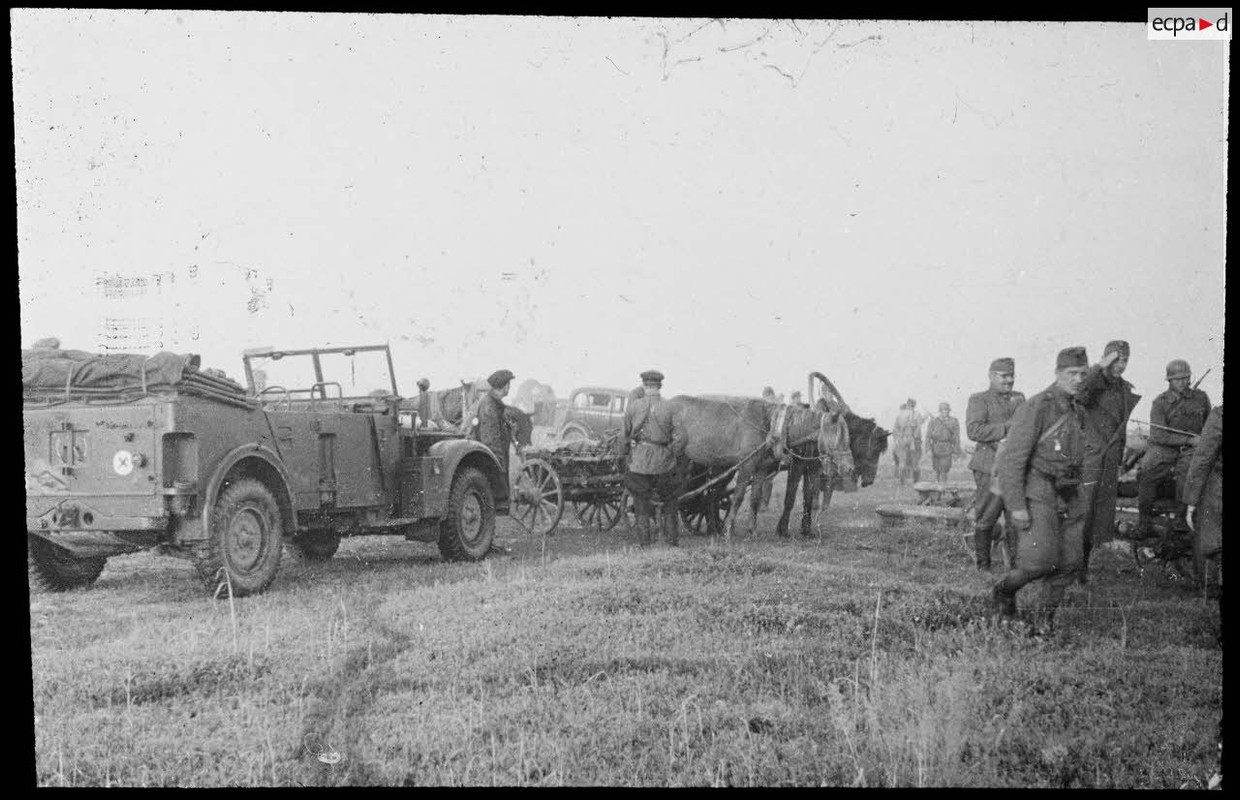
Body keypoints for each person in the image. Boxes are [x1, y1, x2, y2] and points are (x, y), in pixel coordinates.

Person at [991, 347, 1090, 633]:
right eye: (1072, 373)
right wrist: (1017, 506)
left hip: (1069, 494)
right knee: (1040, 562)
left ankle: (1043, 621)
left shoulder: (1078, 409)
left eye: (1083, 374)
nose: (1078, 379)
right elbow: (1013, 460)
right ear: (1058, 373)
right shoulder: (1038, 406)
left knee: (1071, 562)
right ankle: (1003, 592)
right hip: (1039, 490)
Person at [1076, 341, 1140, 583]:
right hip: (1090, 458)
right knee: (1083, 512)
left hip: (1110, 461)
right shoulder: (1093, 384)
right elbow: (1080, 394)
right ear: (1105, 359)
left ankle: (1083, 567)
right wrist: (1099, 367)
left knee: (1100, 518)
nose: (1121, 366)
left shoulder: (1124, 389)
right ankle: (1072, 567)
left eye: (1125, 360)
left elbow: (1121, 429)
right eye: (1116, 360)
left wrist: (1122, 459)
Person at [1136, 359, 1212, 539]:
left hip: (1191, 450)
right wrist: (1188, 439)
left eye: (1185, 378)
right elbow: (1159, 436)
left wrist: (1201, 440)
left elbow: (1209, 424)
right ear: (1169, 381)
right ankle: (1144, 523)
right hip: (1164, 449)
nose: (1182, 382)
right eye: (1177, 379)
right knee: (1146, 472)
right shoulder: (1160, 403)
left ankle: (1181, 522)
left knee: (1188, 475)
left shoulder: (1201, 398)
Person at [966, 358, 1026, 570]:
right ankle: (983, 565)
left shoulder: (1019, 399)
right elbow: (974, 430)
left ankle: (1016, 566)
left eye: (1011, 376)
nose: (1009, 380)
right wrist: (1007, 428)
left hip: (1014, 467)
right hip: (988, 466)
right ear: (991, 376)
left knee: (1013, 517)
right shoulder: (979, 400)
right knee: (986, 516)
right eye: (1004, 376)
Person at [620, 370, 686, 547]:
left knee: (641, 503)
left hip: (639, 464)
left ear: (644, 385)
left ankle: (645, 544)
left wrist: (628, 453)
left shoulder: (634, 406)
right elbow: (682, 437)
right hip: (664, 464)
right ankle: (672, 544)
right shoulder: (670, 407)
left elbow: (624, 436)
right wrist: (670, 451)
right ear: (660, 386)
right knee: (671, 503)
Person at [1183, 405, 1222, 587]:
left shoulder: (1220, 413)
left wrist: (1192, 501)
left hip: (1219, 483)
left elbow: (1203, 458)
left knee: (1208, 531)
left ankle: (1208, 583)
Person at [468, 369, 516, 480]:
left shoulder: (496, 404)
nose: (509, 387)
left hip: (495, 461)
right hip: (491, 465)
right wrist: (499, 467)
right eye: (509, 384)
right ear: (505, 386)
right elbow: (490, 440)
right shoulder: (489, 405)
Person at [891, 398, 927, 485]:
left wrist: (897, 439)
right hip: (913, 442)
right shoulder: (917, 414)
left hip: (903, 441)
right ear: (914, 406)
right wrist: (926, 416)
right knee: (914, 462)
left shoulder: (900, 415)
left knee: (903, 462)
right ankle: (915, 482)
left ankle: (902, 481)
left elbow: (895, 429)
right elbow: (920, 424)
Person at [924, 402, 962, 482]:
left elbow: (956, 438)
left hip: (947, 448)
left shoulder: (954, 421)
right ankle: (936, 491)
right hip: (935, 448)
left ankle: (943, 488)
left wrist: (956, 451)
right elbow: (928, 437)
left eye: (947, 410)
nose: (945, 412)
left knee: (944, 470)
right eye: (943, 410)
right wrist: (928, 450)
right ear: (940, 411)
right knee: (936, 470)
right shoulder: (933, 421)